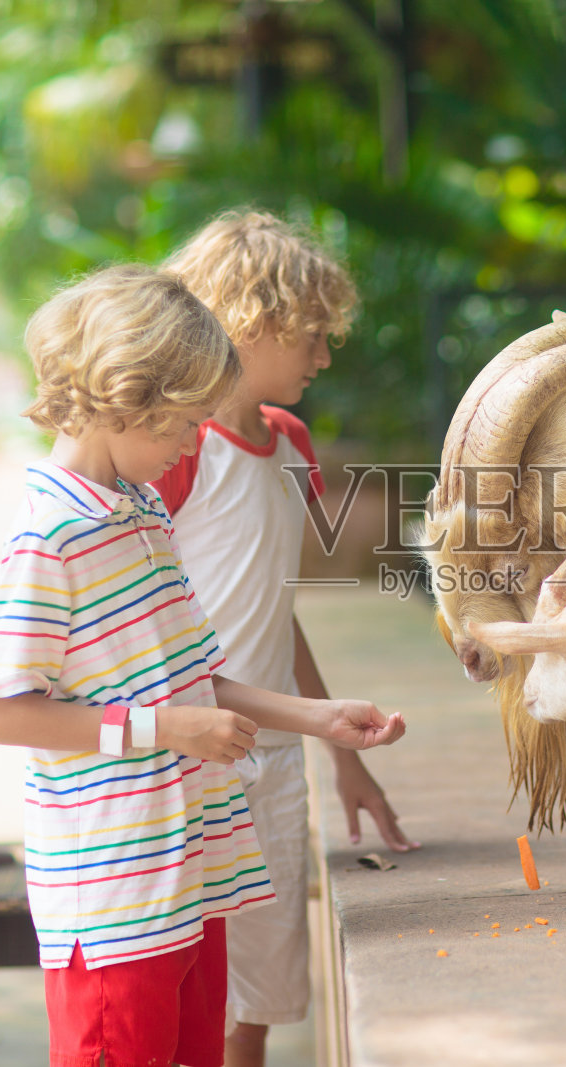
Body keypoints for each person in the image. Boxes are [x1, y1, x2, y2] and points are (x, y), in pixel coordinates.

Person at [0, 263, 405, 1067]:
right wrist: (165, 729)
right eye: (177, 425)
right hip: (113, 908)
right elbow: (0, 710)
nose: (184, 444)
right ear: (125, 399)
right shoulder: (50, 535)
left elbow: (193, 679)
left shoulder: (138, 512)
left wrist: (317, 717)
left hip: (189, 885)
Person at [155, 210, 421, 1067]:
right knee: (182, 995)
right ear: (251, 322)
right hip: (182, 760)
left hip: (272, 762)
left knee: (255, 1007)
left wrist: (337, 751)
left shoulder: (291, 444)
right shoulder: (177, 450)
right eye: (311, 335)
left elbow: (276, 607)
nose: (324, 356)